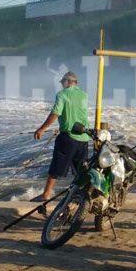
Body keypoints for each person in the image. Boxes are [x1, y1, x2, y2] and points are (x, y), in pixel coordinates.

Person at [33, 71, 90, 202]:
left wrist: (42, 129)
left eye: (63, 83)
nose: (62, 85)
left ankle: (46, 194)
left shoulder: (62, 94)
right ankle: (80, 196)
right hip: (83, 138)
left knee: (56, 167)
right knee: (81, 171)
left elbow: (56, 113)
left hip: (68, 137)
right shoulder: (84, 95)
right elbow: (76, 113)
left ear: (68, 81)